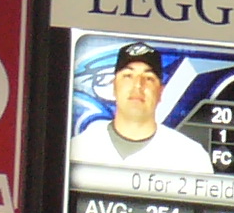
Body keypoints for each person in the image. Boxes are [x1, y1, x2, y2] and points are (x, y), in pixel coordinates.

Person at [72, 43, 214, 173]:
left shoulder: (191, 157)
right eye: (128, 76)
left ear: (160, 91)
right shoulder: (79, 148)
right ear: (114, 86)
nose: (138, 85)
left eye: (148, 78)